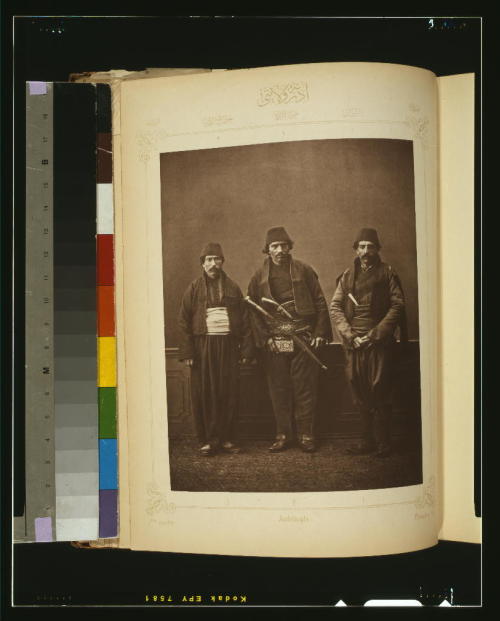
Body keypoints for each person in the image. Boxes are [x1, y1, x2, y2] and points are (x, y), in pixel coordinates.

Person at [247, 226, 331, 453]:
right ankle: (283, 434)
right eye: (274, 246)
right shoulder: (259, 277)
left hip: (302, 337)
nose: (280, 250)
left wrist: (321, 333)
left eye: (284, 246)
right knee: (279, 388)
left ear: (289, 247)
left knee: (305, 388)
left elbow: (320, 302)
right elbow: (253, 313)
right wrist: (266, 340)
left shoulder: (304, 270)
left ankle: (306, 434)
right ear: (267, 250)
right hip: (277, 340)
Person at [330, 228, 407, 458]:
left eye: (370, 247)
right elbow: (335, 307)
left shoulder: (387, 273)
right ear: (356, 249)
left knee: (380, 388)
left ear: (377, 249)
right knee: (358, 387)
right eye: (361, 247)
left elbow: (397, 305)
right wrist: (351, 335)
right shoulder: (347, 276)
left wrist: (375, 334)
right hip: (354, 342)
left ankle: (384, 442)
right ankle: (367, 440)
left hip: (378, 342)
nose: (365, 251)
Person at [178, 242, 254, 456]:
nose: (213, 264)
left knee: (228, 392)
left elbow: (246, 320)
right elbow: (183, 321)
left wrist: (246, 350)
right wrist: (188, 353)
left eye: (216, 259)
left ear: (222, 262)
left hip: (228, 347)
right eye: (208, 260)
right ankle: (208, 440)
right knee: (205, 393)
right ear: (202, 264)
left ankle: (228, 438)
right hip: (203, 348)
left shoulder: (233, 287)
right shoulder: (193, 289)